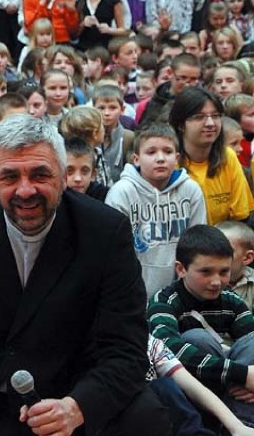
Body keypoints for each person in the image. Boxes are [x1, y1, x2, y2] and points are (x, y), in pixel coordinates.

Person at [0, 113, 169, 435]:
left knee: (147, 415)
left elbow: (125, 348)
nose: (26, 191)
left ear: (64, 176)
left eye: (40, 174)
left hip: (78, 394)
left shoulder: (106, 232)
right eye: (10, 177)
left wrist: (77, 407)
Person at [147, 225, 254, 426]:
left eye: (224, 272)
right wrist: (243, 375)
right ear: (181, 269)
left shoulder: (231, 301)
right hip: (192, 390)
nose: (216, 281)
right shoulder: (163, 302)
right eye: (206, 272)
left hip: (234, 386)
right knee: (197, 338)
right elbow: (169, 353)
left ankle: (242, 426)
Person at [105, 123, 207, 297]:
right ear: (136, 159)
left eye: (167, 152)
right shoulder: (121, 192)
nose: (160, 158)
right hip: (132, 289)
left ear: (177, 158)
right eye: (151, 152)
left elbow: (198, 242)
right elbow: (112, 250)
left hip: (181, 290)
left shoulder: (190, 189)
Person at [169, 86, 254, 224]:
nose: (210, 123)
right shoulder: (169, 162)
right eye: (199, 117)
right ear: (181, 125)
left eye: (215, 116)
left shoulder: (228, 156)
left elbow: (241, 216)